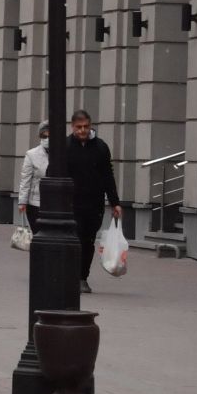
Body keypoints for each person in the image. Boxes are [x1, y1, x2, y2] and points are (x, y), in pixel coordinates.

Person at [61, 109, 121, 293]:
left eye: (86, 126)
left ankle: (82, 278)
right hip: (71, 203)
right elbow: (54, 173)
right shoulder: (65, 146)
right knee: (75, 239)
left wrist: (115, 202)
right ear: (72, 127)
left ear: (91, 125)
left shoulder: (101, 147)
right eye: (78, 127)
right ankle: (72, 276)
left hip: (94, 203)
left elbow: (107, 176)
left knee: (88, 241)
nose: (82, 130)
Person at [15, 125, 50, 229]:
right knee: (38, 233)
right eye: (44, 136)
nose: (47, 139)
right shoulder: (32, 154)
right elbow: (25, 180)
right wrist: (22, 202)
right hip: (35, 202)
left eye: (49, 136)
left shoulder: (62, 153)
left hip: (55, 203)